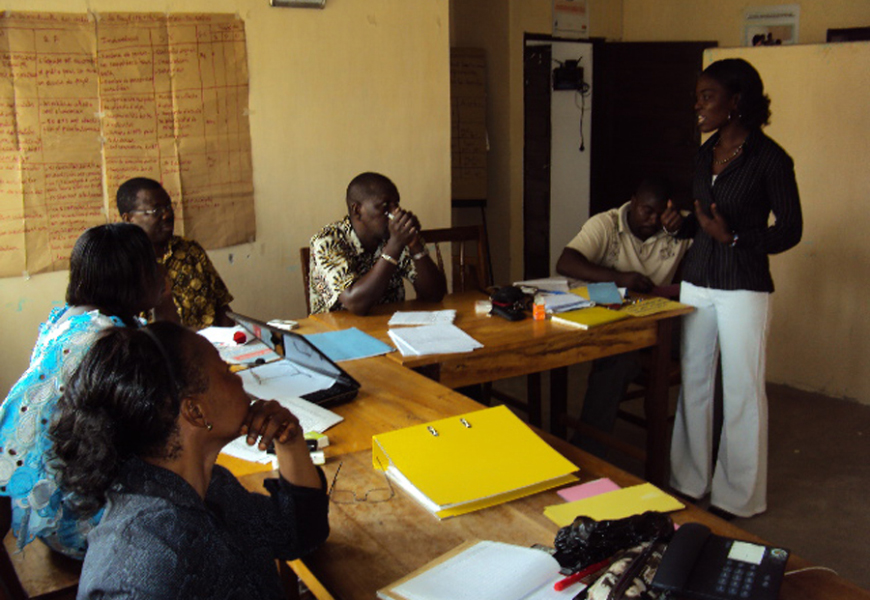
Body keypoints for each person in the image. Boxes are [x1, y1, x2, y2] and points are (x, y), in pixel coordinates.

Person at [50, 322, 329, 599]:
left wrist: (289, 442)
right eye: (226, 372)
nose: (239, 380)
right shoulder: (145, 563)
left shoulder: (209, 487)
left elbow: (299, 532)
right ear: (195, 412)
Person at [662, 58, 802, 519]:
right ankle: (689, 479)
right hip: (697, 280)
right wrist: (680, 225)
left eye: (707, 97)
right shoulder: (705, 153)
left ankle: (738, 495)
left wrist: (737, 238)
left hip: (743, 286)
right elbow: (703, 221)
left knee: (742, 389)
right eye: (697, 97)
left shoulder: (770, 159)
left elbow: (790, 229)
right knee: (694, 381)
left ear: (736, 101)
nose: (698, 106)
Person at [0, 223, 161, 558]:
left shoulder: (72, 321)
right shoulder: (107, 342)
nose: (161, 272)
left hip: (45, 510)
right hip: (79, 524)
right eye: (152, 265)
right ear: (129, 278)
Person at [555, 178, 691, 457]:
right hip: (612, 321)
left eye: (660, 213)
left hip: (656, 320)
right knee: (619, 360)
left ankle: (702, 449)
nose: (653, 220)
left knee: (714, 347)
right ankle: (589, 450)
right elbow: (566, 262)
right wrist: (620, 279)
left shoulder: (678, 226)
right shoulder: (606, 224)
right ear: (633, 202)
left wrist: (682, 225)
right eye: (646, 211)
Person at [308, 172, 447, 315]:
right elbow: (356, 304)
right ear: (357, 210)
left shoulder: (394, 235)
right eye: (385, 206)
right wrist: (394, 246)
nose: (396, 213)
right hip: (335, 327)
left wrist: (415, 244)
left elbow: (435, 295)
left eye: (396, 204)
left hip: (388, 324)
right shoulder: (328, 241)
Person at [117, 177, 235, 329]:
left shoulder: (190, 251)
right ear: (128, 219)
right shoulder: (120, 265)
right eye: (156, 210)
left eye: (168, 206)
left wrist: (233, 338)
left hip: (210, 342)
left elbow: (221, 307)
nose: (167, 215)